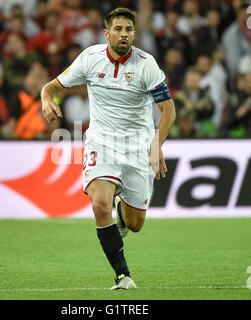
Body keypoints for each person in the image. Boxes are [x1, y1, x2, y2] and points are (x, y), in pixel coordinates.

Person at [40, 8, 176, 290]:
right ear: (107, 33)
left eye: (128, 29)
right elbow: (50, 87)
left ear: (134, 34)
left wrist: (155, 144)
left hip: (137, 146)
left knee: (136, 224)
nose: (123, 34)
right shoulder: (90, 58)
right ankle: (123, 276)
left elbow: (168, 110)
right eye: (118, 29)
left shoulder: (146, 64)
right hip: (101, 142)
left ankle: (123, 217)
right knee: (99, 204)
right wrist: (46, 99)